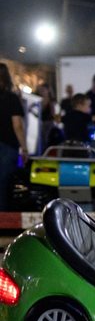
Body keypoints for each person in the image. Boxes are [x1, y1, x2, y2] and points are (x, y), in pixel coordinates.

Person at [0, 63, 26, 211]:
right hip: (7, 146)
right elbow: (17, 125)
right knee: (4, 183)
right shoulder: (11, 98)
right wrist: (25, 148)